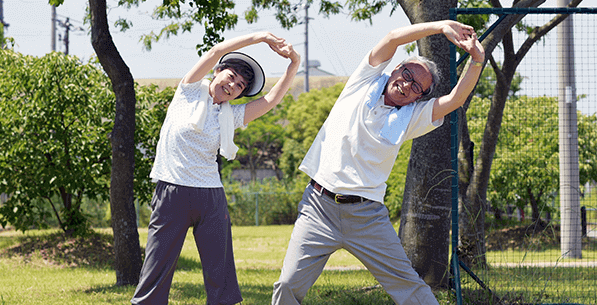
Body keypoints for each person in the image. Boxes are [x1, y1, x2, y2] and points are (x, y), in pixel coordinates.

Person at [271, 20, 485, 305]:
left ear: (419, 98)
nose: (407, 84)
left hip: (366, 216)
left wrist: (477, 59)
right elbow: (393, 37)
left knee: (410, 287)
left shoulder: (412, 117)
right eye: (407, 73)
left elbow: (456, 99)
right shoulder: (364, 80)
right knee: (287, 284)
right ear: (396, 69)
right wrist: (441, 26)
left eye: (417, 87)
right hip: (318, 208)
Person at [131, 32, 300, 305]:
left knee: (220, 274)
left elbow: (271, 101)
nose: (233, 85)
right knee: (157, 268)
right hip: (172, 190)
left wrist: (294, 63)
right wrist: (258, 38)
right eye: (231, 76)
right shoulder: (188, 91)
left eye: (241, 86)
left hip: (210, 197)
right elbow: (213, 51)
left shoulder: (230, 115)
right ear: (218, 72)